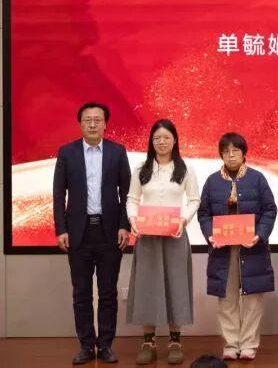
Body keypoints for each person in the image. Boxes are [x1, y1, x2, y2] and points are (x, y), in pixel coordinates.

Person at [53, 102, 131, 365]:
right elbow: (58, 194)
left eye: (98, 119)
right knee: (82, 293)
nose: (93, 124)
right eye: (88, 120)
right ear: (80, 124)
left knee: (108, 293)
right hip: (79, 233)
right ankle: (86, 345)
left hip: (109, 233)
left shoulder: (117, 152)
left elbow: (126, 193)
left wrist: (124, 225)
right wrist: (61, 229)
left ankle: (105, 345)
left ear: (105, 124)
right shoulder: (67, 153)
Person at [197, 133, 277, 360]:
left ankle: (249, 344)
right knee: (227, 298)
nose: (231, 155)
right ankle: (231, 344)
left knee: (252, 298)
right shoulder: (212, 181)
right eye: (226, 151)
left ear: (244, 153)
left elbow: (270, 210)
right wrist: (210, 235)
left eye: (235, 151)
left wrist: (259, 235)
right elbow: (204, 213)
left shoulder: (257, 179)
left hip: (252, 247)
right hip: (223, 249)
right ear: (221, 155)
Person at [126, 119, 200, 366]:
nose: (161, 142)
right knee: (148, 285)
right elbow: (132, 198)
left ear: (175, 140)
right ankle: (148, 342)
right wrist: (133, 219)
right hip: (147, 236)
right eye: (157, 138)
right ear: (151, 141)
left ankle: (175, 341)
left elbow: (194, 200)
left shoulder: (185, 169)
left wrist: (184, 220)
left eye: (166, 137)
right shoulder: (141, 169)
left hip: (174, 235)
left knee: (175, 284)